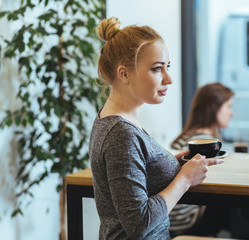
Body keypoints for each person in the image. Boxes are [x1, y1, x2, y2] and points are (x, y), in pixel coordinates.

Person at [89, 17, 224, 240]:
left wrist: (176, 163)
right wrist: (185, 180)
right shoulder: (121, 134)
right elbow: (139, 224)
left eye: (167, 67)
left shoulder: (112, 121)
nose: (168, 79)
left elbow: (139, 172)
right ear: (124, 74)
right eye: (156, 69)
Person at [169, 82, 234, 237]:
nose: (232, 113)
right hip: (187, 219)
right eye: (229, 107)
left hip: (170, 216)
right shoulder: (206, 143)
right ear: (214, 108)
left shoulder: (185, 137)